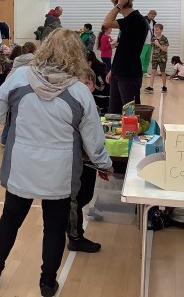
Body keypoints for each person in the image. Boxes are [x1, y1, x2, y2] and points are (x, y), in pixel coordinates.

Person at [0, 28, 112, 297]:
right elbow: (93, 137)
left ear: (45, 47)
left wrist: (8, 121)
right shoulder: (79, 91)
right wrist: (104, 163)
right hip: (60, 171)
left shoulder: (19, 77)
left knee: (10, 219)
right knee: (54, 225)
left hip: (21, 164)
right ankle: (48, 283)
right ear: (76, 54)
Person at [69, 67, 109, 253]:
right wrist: (103, 163)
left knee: (86, 195)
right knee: (76, 199)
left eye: (87, 83)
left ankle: (72, 231)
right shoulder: (74, 105)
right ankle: (75, 237)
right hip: (77, 160)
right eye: (80, 82)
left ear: (93, 86)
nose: (84, 86)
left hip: (88, 160)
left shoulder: (93, 104)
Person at [103, 0, 149, 113]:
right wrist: (113, 69)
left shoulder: (135, 19)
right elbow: (124, 49)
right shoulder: (129, 20)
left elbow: (106, 23)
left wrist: (119, 5)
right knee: (114, 112)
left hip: (129, 74)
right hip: (119, 71)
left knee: (130, 113)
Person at [145, 23, 169, 93]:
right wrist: (151, 57)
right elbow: (152, 48)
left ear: (161, 30)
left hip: (162, 58)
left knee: (162, 72)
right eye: (154, 30)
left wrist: (158, 44)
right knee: (153, 71)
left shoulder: (164, 38)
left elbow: (165, 49)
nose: (155, 31)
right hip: (155, 57)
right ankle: (151, 87)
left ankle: (164, 86)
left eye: (157, 30)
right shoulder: (153, 38)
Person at [140, 10, 157, 76]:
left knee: (147, 58)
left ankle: (145, 71)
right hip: (143, 42)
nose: (153, 17)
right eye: (152, 16)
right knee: (141, 57)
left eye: (154, 16)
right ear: (149, 14)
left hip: (150, 43)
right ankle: (139, 71)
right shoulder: (143, 20)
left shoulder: (153, 22)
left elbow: (153, 31)